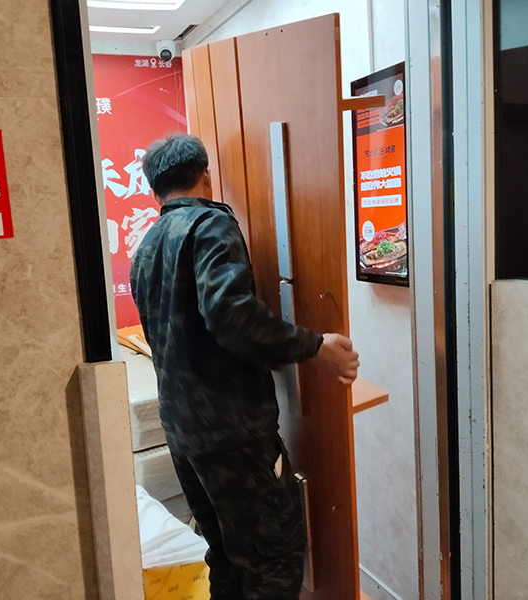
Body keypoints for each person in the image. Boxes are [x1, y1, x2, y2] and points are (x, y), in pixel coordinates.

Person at [130, 134, 359, 600]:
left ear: (155, 192)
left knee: (225, 556)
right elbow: (229, 314)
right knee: (274, 560)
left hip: (184, 432)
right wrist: (315, 346)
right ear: (205, 175)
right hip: (232, 433)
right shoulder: (210, 225)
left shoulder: (146, 247)